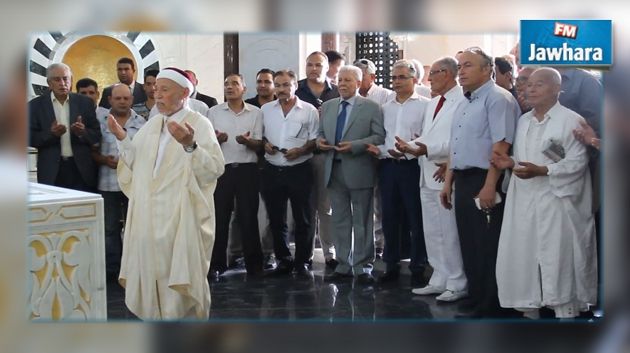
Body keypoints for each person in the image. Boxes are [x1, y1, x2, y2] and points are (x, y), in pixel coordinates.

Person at [107, 67, 225, 320]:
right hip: (149, 217)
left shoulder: (199, 124)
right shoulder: (153, 124)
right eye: (155, 89)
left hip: (179, 216)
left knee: (177, 277)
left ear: (184, 92)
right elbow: (134, 163)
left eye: (164, 89)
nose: (156, 94)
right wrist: (122, 139)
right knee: (151, 273)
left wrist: (190, 145)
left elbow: (214, 169)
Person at [492, 67, 597, 319]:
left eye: (539, 84)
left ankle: (565, 310)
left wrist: (543, 170)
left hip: (559, 201)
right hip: (526, 199)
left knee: (559, 254)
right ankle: (530, 307)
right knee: (525, 252)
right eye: (529, 84)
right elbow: (525, 159)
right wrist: (511, 164)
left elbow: (576, 163)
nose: (531, 88)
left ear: (558, 89)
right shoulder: (523, 120)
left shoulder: (571, 120)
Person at [440, 47, 520, 318]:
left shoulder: (499, 99)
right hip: (463, 178)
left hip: (486, 178)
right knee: (469, 242)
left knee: (487, 244)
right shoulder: (465, 101)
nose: (461, 71)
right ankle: (476, 297)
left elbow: (502, 143)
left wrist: (489, 185)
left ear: (488, 70)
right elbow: (456, 145)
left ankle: (492, 303)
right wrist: (447, 182)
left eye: (468, 65)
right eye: (460, 65)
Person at [396, 56, 468, 302]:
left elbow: (460, 140)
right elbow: (427, 136)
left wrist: (426, 149)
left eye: (433, 73)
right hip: (425, 172)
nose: (428, 79)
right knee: (432, 230)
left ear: (447, 73)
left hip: (445, 170)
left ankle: (457, 282)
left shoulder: (463, 100)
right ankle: (439, 278)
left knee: (449, 231)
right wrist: (408, 146)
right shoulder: (433, 102)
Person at [318, 65, 385, 285]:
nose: (343, 84)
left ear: (358, 83)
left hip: (359, 169)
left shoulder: (371, 107)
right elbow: (320, 133)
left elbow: (379, 137)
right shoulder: (327, 107)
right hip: (333, 169)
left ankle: (363, 266)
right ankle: (343, 265)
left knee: (362, 221)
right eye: (340, 80)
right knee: (340, 220)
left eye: (348, 80)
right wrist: (320, 142)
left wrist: (356, 145)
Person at [365, 59, 429, 286]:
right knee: (389, 217)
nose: (396, 82)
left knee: (415, 217)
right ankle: (390, 264)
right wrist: (379, 150)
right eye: (393, 77)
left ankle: (418, 265)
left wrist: (409, 149)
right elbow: (384, 137)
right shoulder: (386, 107)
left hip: (412, 166)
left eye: (402, 77)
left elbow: (427, 137)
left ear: (415, 79)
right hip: (388, 167)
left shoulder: (425, 105)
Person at [261, 70, 319, 278]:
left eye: (286, 85)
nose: (281, 89)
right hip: (273, 169)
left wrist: (301, 150)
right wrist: (265, 145)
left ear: (296, 86)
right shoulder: (266, 109)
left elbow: (315, 140)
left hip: (300, 169)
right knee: (276, 218)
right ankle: (283, 260)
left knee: (302, 218)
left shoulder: (309, 110)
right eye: (278, 85)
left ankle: (302, 261)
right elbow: (261, 137)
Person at [208, 74, 264, 278]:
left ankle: (254, 266)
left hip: (247, 170)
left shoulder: (255, 113)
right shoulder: (213, 112)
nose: (229, 87)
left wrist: (248, 142)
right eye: (226, 84)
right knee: (219, 219)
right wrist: (218, 140)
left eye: (234, 84)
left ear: (244, 89)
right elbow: (207, 142)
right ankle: (216, 265)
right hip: (222, 170)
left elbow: (259, 143)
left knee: (248, 218)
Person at [93, 84, 146, 283]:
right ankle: (113, 270)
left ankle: (134, 267)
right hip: (108, 183)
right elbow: (92, 150)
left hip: (134, 185)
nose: (122, 101)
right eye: (118, 98)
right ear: (110, 100)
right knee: (110, 229)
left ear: (132, 100)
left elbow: (145, 153)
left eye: (126, 98)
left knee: (136, 227)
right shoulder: (100, 121)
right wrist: (104, 160)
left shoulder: (141, 123)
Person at [295, 51, 340, 269]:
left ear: (327, 67)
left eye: (318, 65)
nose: (314, 69)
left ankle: (329, 252)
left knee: (326, 206)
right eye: (310, 64)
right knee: (304, 207)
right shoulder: (296, 90)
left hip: (326, 155)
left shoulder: (337, 91)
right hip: (300, 156)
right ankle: (305, 254)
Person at [29, 63, 101, 192]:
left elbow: (96, 135)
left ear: (71, 80)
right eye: (57, 79)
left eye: (65, 78)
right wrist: (51, 134)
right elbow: (29, 138)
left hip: (81, 170)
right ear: (49, 83)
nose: (62, 83)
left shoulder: (85, 103)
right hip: (51, 171)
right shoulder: (35, 106)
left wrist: (82, 132)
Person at [353, 58, 394, 259]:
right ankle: (363, 246)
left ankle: (381, 243)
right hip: (356, 157)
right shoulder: (349, 97)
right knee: (361, 204)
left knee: (381, 202)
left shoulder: (386, 96)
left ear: (372, 77)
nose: (357, 81)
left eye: (361, 77)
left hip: (381, 155)